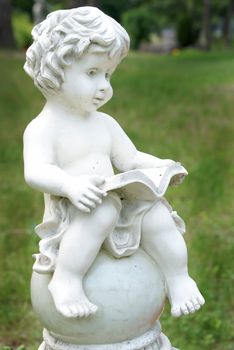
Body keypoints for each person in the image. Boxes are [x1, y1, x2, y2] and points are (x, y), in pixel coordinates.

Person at [23, 7, 204, 319]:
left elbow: (130, 158)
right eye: (92, 73)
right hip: (77, 209)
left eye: (108, 75)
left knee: (157, 214)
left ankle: (179, 278)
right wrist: (70, 185)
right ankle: (67, 278)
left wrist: (160, 165)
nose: (104, 86)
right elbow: (36, 171)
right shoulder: (43, 128)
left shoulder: (104, 123)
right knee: (103, 210)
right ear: (54, 71)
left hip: (116, 201)